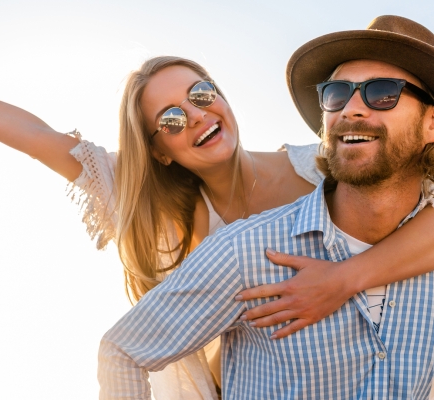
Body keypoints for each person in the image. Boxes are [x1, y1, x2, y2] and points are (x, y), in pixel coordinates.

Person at [99, 15, 434, 399]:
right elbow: (122, 350)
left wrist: (345, 278)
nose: (352, 109)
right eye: (338, 93)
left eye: (383, 92)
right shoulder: (244, 251)